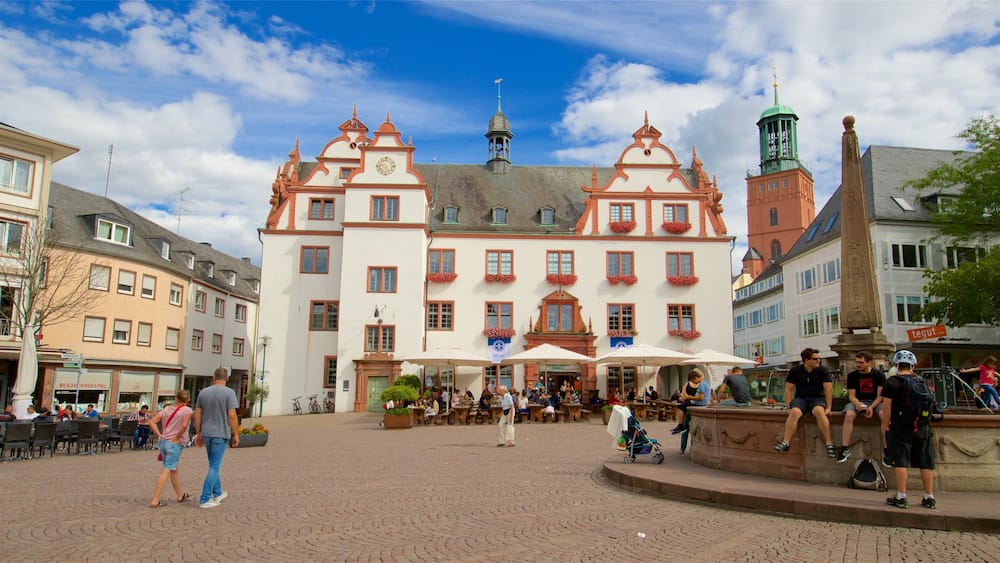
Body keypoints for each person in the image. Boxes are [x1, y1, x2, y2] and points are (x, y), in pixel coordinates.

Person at [882, 350, 937, 509]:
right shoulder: (921, 382)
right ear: (913, 365)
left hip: (901, 427)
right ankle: (929, 497)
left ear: (896, 365)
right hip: (922, 427)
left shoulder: (892, 382)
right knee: (926, 461)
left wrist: (886, 425)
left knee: (901, 461)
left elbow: (886, 407)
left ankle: (901, 497)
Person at [774, 348, 836, 459]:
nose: (818, 361)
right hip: (801, 398)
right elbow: (788, 388)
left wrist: (829, 407)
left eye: (819, 358)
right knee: (794, 412)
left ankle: (829, 443)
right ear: (806, 360)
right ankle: (786, 442)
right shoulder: (795, 371)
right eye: (815, 359)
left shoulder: (823, 370)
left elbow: (828, 389)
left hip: (817, 398)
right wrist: (789, 404)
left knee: (819, 411)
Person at [193, 367, 240, 509]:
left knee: (213, 464)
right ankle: (205, 498)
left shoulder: (203, 392)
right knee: (214, 466)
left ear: (213, 377)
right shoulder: (230, 393)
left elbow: (197, 415)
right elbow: (232, 415)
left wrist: (198, 433)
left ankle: (218, 492)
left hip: (207, 433)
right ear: (227, 378)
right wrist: (236, 433)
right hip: (220, 433)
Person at [836, 352, 886, 463]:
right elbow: (851, 396)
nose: (858, 365)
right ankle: (844, 448)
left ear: (869, 363)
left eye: (861, 363)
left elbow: (880, 396)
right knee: (849, 415)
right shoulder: (852, 376)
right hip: (858, 401)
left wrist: (871, 407)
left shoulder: (878, 375)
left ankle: (886, 449)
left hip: (875, 402)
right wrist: (857, 404)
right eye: (857, 362)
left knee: (884, 415)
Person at [148, 390, 193, 508]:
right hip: (174, 444)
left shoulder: (167, 409)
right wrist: (178, 437)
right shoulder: (187, 410)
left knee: (173, 469)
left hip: (164, 442)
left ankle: (180, 495)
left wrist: (159, 433)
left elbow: (152, 422)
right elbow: (184, 425)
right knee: (167, 470)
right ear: (187, 400)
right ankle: (155, 500)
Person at [671, 369, 709, 436]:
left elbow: (700, 398)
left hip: (700, 403)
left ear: (696, 377)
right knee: (683, 405)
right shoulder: (704, 383)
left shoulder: (701, 384)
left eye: (693, 381)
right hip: (699, 402)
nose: (694, 382)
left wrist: (688, 397)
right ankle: (680, 425)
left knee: (681, 406)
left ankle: (680, 425)